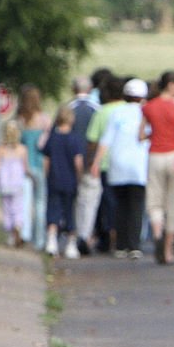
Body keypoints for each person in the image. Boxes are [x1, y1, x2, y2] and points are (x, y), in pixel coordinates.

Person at [92, 78, 151, 259]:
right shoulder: (144, 113)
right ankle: (134, 244)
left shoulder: (116, 113)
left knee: (119, 205)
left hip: (117, 165)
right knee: (136, 206)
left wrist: (96, 162)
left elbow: (105, 140)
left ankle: (120, 244)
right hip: (139, 166)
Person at [142, 71, 174, 265]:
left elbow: (141, 134)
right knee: (173, 201)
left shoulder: (148, 108)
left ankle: (156, 233)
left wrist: (153, 135)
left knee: (154, 200)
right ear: (170, 85)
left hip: (155, 155)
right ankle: (168, 250)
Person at [84, 75, 126, 254]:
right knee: (124, 201)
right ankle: (122, 234)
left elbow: (92, 140)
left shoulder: (102, 112)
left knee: (107, 201)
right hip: (126, 162)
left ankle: (108, 234)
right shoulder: (129, 109)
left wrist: (91, 160)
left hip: (106, 163)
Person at [41, 105, 85, 258]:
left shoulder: (52, 138)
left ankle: (51, 242)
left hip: (54, 179)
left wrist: (47, 175)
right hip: (70, 181)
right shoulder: (74, 139)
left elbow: (46, 160)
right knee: (70, 212)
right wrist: (79, 177)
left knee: (53, 210)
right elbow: (78, 161)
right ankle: (71, 245)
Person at [15, 85, 52, 250]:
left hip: (22, 166)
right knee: (40, 203)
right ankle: (39, 240)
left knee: (24, 202)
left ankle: (24, 234)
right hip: (40, 164)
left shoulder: (20, 120)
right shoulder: (44, 119)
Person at [69, 76, 101, 255]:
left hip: (72, 162)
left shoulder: (68, 108)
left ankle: (75, 232)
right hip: (91, 162)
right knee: (90, 200)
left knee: (75, 200)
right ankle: (85, 233)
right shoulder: (96, 109)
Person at [0, 121, 32, 247]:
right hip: (17, 184)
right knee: (18, 208)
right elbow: (25, 169)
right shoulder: (22, 149)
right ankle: (18, 226)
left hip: (4, 184)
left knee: (7, 209)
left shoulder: (1, 149)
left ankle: (10, 234)